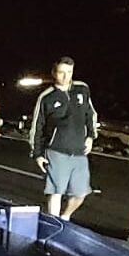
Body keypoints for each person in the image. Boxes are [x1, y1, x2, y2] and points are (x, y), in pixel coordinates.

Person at [30, 56, 98, 221]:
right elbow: (37, 126)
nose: (66, 76)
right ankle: (54, 223)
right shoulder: (47, 97)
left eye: (69, 72)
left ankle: (65, 217)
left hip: (79, 151)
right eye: (61, 72)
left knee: (81, 192)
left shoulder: (82, 89)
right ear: (54, 73)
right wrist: (37, 153)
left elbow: (91, 115)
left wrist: (90, 136)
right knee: (56, 191)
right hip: (56, 150)